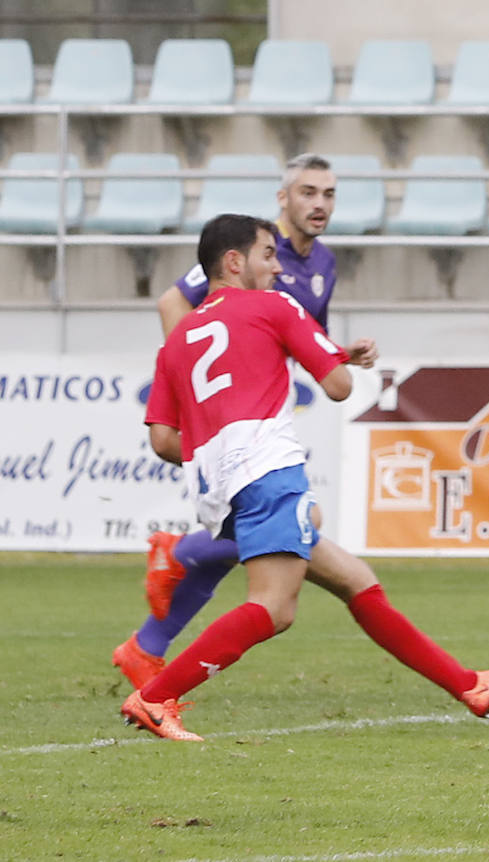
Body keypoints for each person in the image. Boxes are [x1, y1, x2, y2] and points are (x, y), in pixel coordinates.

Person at [121, 214, 489, 741]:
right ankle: (155, 696)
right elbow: (338, 386)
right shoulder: (275, 304)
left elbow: (164, 441)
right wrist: (327, 356)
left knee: (357, 580)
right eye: (267, 254)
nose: (277, 266)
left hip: (220, 488)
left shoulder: (177, 342)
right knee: (274, 608)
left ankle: (470, 685)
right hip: (269, 471)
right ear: (234, 262)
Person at [112, 153, 378, 690]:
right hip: (229, 412)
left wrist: (338, 356)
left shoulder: (322, 263)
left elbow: (305, 340)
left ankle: (149, 643)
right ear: (283, 199)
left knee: (287, 525)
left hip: (263, 410)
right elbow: (172, 300)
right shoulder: (251, 251)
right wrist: (190, 376)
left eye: (328, 194)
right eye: (307, 192)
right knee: (301, 522)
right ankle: (178, 558)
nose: (319, 203)